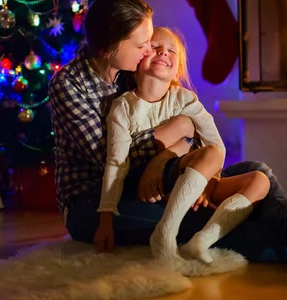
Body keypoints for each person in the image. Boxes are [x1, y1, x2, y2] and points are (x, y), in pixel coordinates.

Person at [48, 0, 287, 267]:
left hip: (160, 179)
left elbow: (184, 126)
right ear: (109, 49)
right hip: (96, 204)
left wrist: (169, 149)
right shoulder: (70, 86)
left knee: (255, 175)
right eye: (143, 44)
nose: (151, 51)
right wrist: (176, 134)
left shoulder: (130, 71)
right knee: (217, 219)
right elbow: (112, 157)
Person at [96, 26, 269, 263]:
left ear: (178, 68)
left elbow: (216, 143)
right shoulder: (123, 107)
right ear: (138, 59)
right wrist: (106, 220)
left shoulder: (185, 99)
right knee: (209, 153)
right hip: (152, 186)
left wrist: (208, 184)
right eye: (155, 47)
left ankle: (202, 241)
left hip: (190, 180)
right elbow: (116, 162)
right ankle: (164, 235)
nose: (163, 53)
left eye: (171, 51)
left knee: (260, 180)